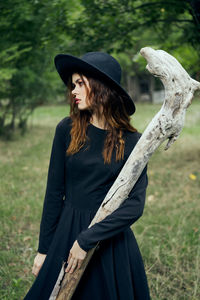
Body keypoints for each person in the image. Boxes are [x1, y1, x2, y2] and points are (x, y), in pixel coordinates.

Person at [24, 52, 150, 299]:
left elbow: (135, 205)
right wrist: (43, 250)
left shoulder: (133, 142)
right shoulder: (67, 130)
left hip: (110, 241)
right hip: (66, 232)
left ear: (102, 87)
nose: (73, 91)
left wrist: (87, 241)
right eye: (73, 85)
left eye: (80, 83)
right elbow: (53, 194)